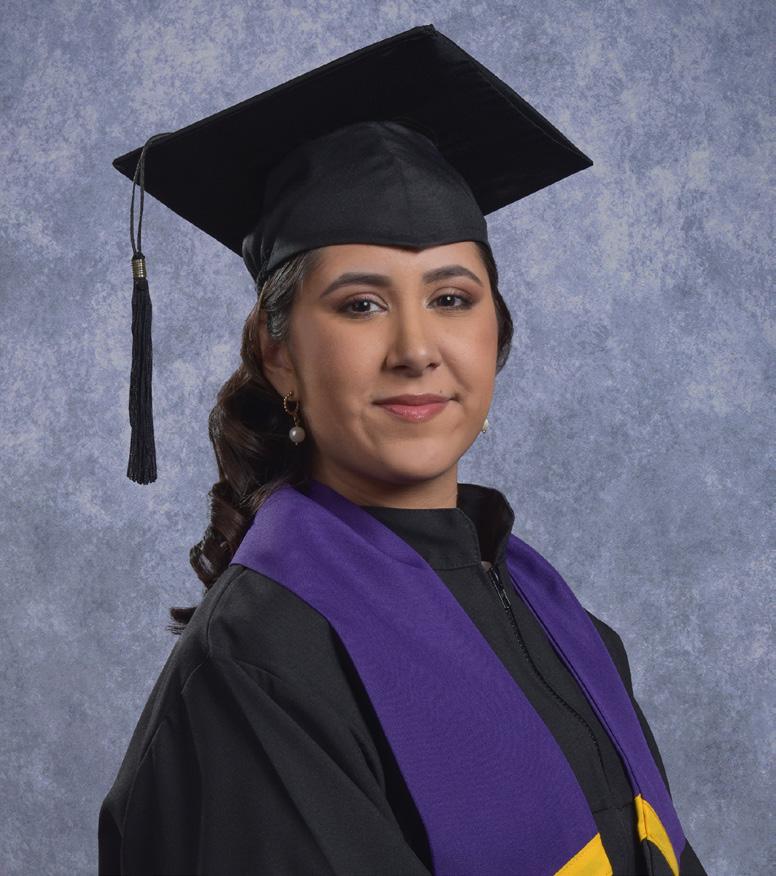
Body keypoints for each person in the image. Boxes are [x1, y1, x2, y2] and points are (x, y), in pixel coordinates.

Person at [98, 24, 707, 876]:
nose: (417, 350)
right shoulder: (261, 662)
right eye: (360, 305)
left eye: (452, 298)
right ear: (280, 355)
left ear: (495, 336)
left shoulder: (558, 619)